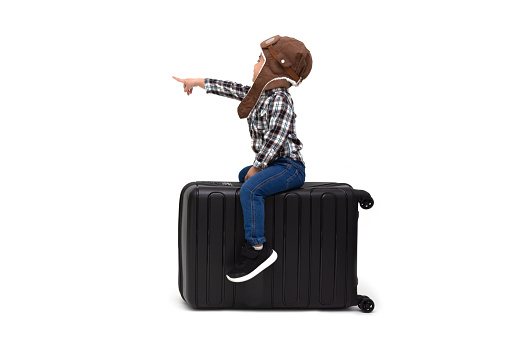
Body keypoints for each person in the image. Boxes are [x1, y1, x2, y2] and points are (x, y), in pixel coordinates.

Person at [173, 35, 312, 283]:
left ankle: (258, 249)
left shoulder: (280, 99)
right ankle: (259, 221)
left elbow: (277, 138)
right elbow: (231, 88)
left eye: (259, 60)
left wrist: (259, 167)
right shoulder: (259, 96)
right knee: (243, 177)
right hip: (275, 164)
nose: (254, 64)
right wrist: (198, 82)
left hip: (289, 167)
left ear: (274, 69)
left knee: (249, 188)